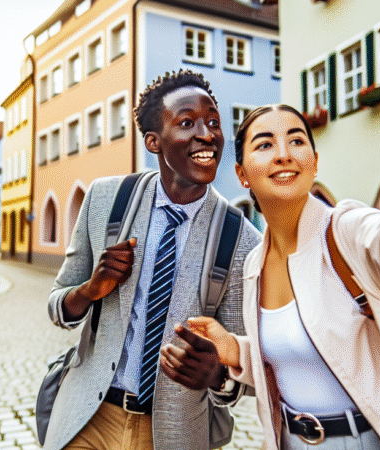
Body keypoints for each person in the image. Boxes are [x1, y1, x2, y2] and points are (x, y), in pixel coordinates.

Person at [178, 104, 380, 450]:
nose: (284, 155)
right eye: (265, 144)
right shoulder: (254, 264)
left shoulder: (346, 231)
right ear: (242, 173)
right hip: (291, 440)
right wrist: (234, 349)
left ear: (314, 161)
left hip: (368, 440)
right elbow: (299, 357)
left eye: (296, 141)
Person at [44, 70, 262, 450]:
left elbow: (236, 369)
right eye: (187, 122)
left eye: (213, 122)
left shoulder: (241, 240)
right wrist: (90, 289)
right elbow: (58, 306)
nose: (207, 134)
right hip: (87, 419)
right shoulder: (105, 200)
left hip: (173, 434)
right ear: (153, 141)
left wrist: (215, 374)